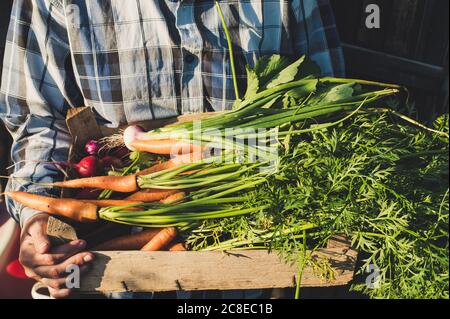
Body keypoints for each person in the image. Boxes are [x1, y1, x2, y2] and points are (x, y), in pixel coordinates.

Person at [0, 0, 344, 298]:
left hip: (248, 256)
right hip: (110, 273)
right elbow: (40, 122)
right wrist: (39, 217)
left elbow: (326, 116)